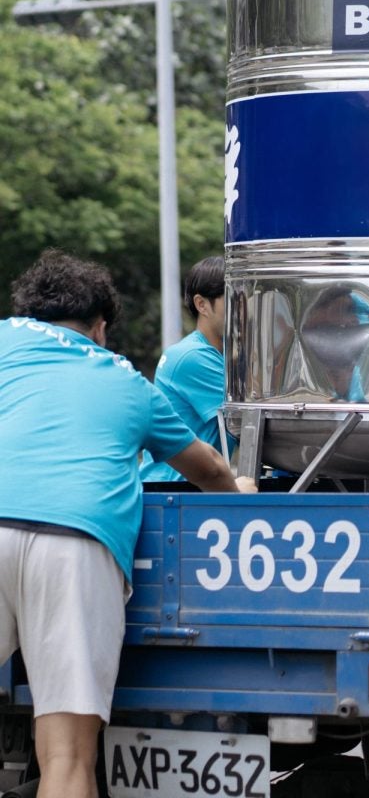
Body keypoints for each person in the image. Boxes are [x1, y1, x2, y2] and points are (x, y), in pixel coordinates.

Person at [0, 250, 256, 798]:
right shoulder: (123, 378)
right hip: (74, 542)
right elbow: (209, 467)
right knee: (67, 759)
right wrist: (242, 496)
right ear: (100, 326)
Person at [140, 256, 233, 483]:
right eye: (233, 298)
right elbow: (251, 420)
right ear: (202, 304)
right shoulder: (192, 357)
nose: (245, 308)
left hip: (192, 488)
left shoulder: (220, 355)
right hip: (173, 492)